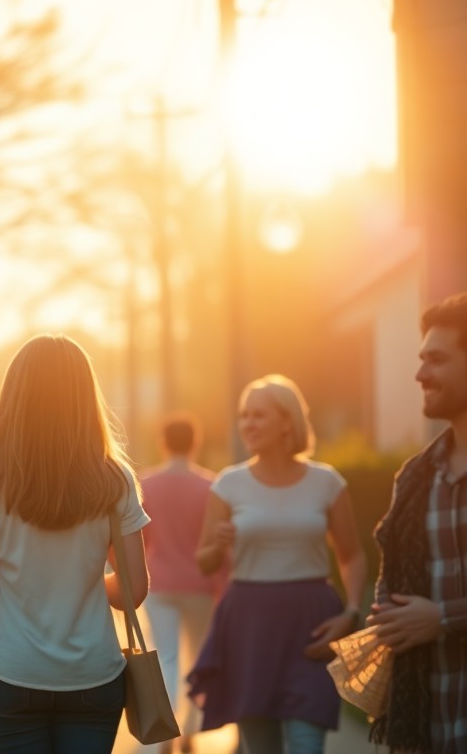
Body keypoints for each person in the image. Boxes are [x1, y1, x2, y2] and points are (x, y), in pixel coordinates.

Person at [0, 334, 150, 754]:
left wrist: (11, 574)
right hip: (93, 674)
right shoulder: (115, 479)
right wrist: (86, 583)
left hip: (9, 669)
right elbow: (133, 590)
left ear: (14, 394)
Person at [188, 374, 366, 754]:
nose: (248, 424)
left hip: (311, 624)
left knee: (307, 743)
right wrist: (217, 546)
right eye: (244, 415)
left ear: (288, 420)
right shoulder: (228, 484)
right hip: (248, 624)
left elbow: (352, 555)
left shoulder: (326, 482)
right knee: (260, 747)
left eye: (259, 415)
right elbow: (204, 563)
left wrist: (352, 611)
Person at [368, 292, 467, 753]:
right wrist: (386, 615)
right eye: (421, 358)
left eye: (437, 359)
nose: (420, 373)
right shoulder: (414, 478)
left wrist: (444, 618)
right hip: (427, 729)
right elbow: (390, 585)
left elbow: (434, 616)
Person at [139, 413, 221, 754]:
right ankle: (189, 729)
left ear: (163, 442)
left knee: (166, 657)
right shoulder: (210, 485)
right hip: (200, 584)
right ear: (195, 442)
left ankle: (165, 734)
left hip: (158, 582)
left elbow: (140, 538)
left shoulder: (145, 483)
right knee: (195, 659)